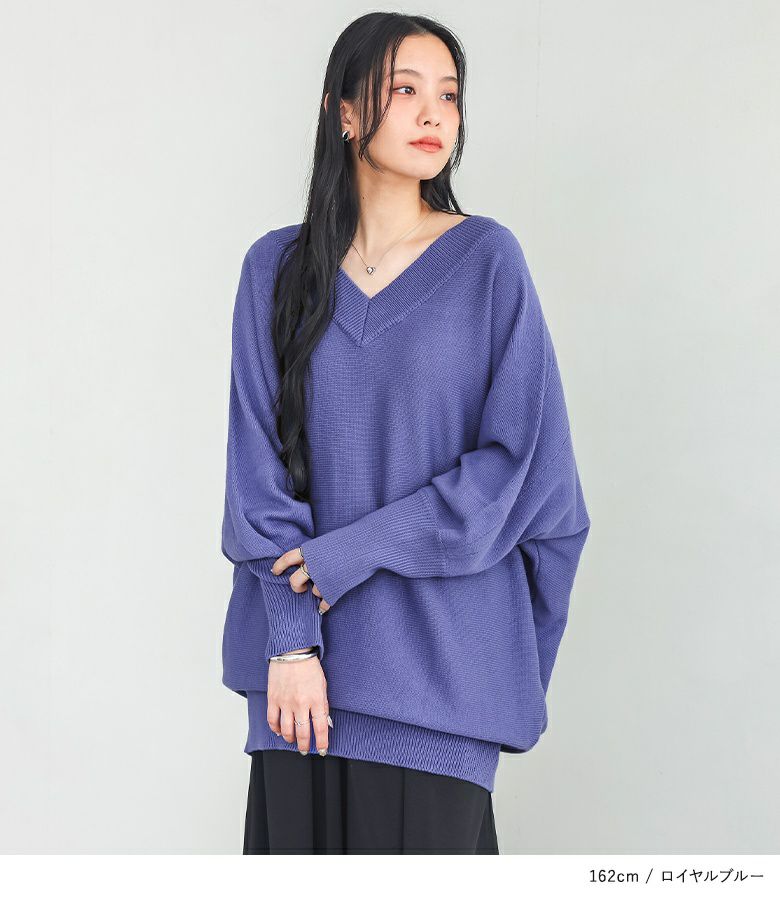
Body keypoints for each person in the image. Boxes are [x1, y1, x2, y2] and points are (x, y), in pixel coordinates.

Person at [220, 11, 591, 854]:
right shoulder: (274, 270)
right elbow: (257, 479)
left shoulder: (488, 261)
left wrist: (352, 553)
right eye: (405, 90)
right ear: (345, 111)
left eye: (449, 96)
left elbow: (522, 473)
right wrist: (290, 643)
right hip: (299, 694)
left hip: (438, 690)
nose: (434, 114)